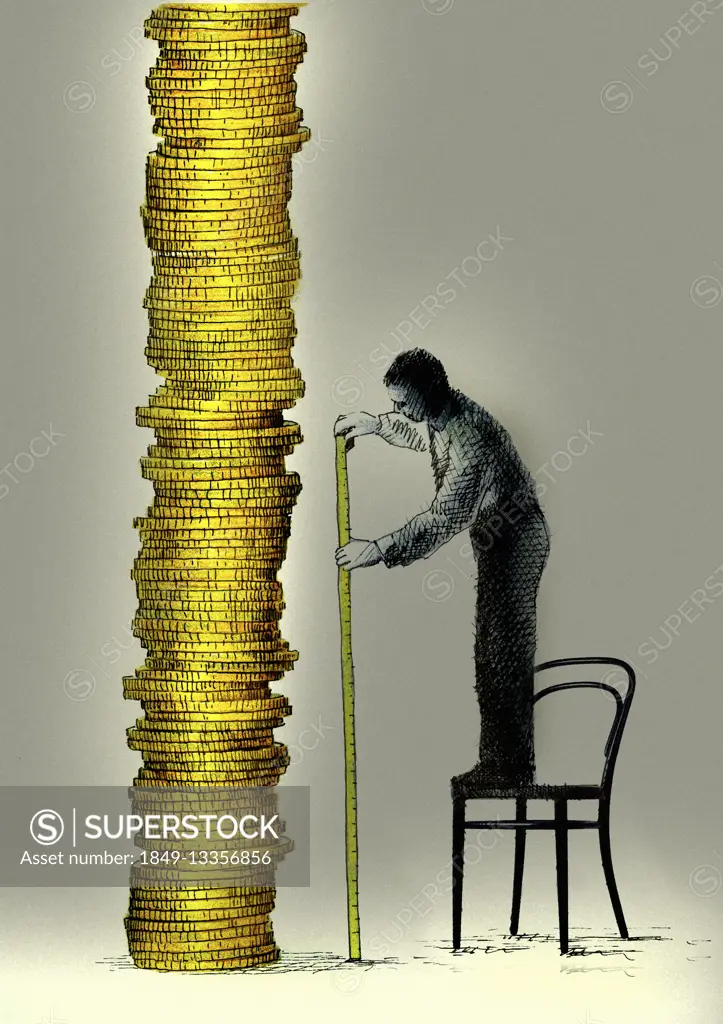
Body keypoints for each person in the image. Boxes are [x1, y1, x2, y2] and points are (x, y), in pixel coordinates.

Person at [333, 348, 550, 790]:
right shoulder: (442, 416)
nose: (398, 410)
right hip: (499, 540)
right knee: (489, 649)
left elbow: (441, 520)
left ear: (430, 392)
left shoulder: (470, 437)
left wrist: (377, 549)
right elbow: (420, 437)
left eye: (402, 403)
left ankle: (510, 767)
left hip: (518, 542)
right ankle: (501, 762)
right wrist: (377, 426)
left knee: (503, 653)